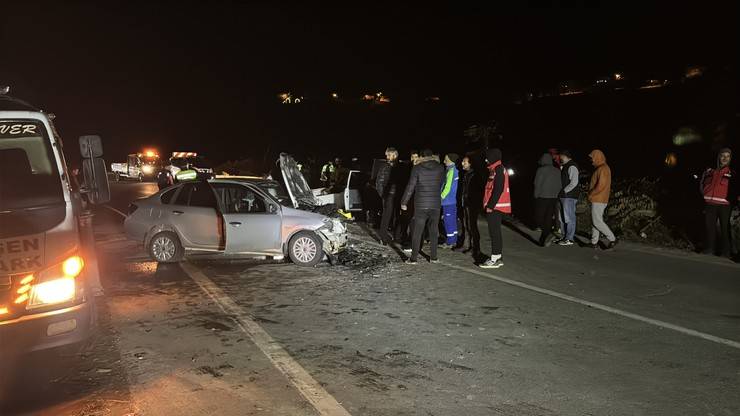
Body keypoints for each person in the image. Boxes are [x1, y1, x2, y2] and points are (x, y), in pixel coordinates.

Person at [401, 149, 445, 264]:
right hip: (435, 203)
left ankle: (414, 258)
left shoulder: (417, 168)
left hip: (420, 204)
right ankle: (434, 257)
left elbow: (411, 186)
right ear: (431, 156)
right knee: (434, 230)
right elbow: (441, 183)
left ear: (421, 156)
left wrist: (404, 202)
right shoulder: (440, 168)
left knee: (417, 231)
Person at [700, 148, 738, 258]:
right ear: (719, 157)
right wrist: (704, 194)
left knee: (724, 228)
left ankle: (725, 252)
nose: (725, 158)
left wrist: (733, 199)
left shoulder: (732, 172)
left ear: (730, 158)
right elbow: (702, 183)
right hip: (710, 203)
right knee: (709, 227)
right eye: (723, 155)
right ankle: (709, 249)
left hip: (725, 205)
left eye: (728, 156)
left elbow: (735, 188)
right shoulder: (710, 171)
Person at [480, 148, 511, 268]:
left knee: (494, 232)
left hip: (495, 207)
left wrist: (491, 206)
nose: (486, 159)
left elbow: (498, 189)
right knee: (495, 232)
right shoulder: (496, 169)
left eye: (488, 157)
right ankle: (497, 256)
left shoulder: (498, 169)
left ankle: (495, 258)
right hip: (495, 206)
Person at [588, 149, 617, 249]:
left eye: (592, 158)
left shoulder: (603, 168)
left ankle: (613, 239)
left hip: (598, 198)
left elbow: (601, 186)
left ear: (597, 157)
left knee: (597, 222)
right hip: (599, 198)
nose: (591, 160)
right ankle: (594, 243)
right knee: (595, 221)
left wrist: (591, 194)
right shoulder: (602, 168)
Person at [455, 155, 483, 257]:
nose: (462, 163)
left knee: (472, 226)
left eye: (465, 162)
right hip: (466, 204)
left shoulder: (475, 175)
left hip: (472, 205)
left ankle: (476, 248)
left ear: (470, 163)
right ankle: (466, 245)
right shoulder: (466, 174)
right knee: (466, 225)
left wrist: (473, 204)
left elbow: (477, 193)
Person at [534, 153, 562, 247]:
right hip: (554, 198)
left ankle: (546, 235)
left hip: (542, 196)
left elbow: (537, 183)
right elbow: (560, 185)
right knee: (548, 218)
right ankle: (544, 239)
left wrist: (536, 195)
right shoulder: (557, 170)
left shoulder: (541, 170)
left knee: (539, 217)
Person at [375, 147, 401, 244]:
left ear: (394, 155)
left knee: (397, 216)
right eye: (386, 155)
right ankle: (383, 237)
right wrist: (383, 195)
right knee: (386, 216)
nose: (387, 157)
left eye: (388, 155)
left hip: (398, 195)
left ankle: (397, 237)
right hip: (388, 196)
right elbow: (379, 183)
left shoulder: (400, 166)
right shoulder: (384, 166)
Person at [557, 150, 580, 246]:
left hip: (569, 196)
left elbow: (574, 182)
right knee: (562, 217)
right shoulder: (565, 166)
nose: (560, 158)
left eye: (561, 156)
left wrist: (564, 191)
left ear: (565, 156)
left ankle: (569, 238)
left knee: (569, 218)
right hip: (564, 196)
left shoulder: (572, 166)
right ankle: (564, 236)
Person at [440, 153, 460, 248]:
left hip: (448, 201)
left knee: (448, 221)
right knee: (451, 220)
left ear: (451, 160)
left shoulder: (451, 170)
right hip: (451, 200)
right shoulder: (453, 170)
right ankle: (453, 240)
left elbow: (447, 187)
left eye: (446, 160)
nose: (444, 161)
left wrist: (441, 196)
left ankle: (450, 242)